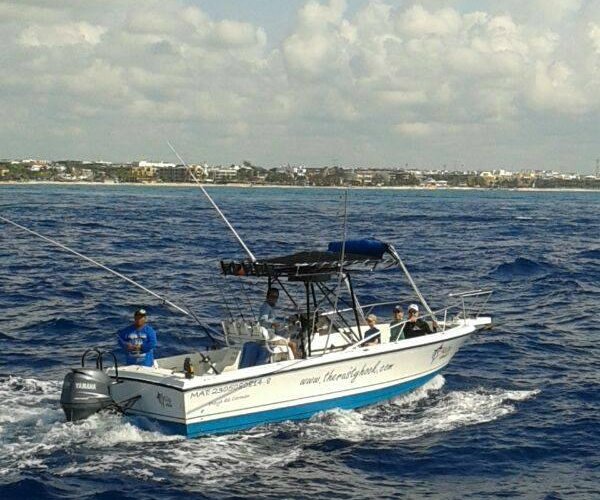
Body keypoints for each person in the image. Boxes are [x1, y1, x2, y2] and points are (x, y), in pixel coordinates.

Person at [258, 287, 300, 358]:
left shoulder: (266, 306)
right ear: (267, 296)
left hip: (271, 334)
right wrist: (272, 324)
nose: (274, 299)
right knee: (293, 344)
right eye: (272, 296)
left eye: (276, 297)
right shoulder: (266, 307)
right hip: (270, 337)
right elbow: (263, 321)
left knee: (289, 332)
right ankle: (296, 361)